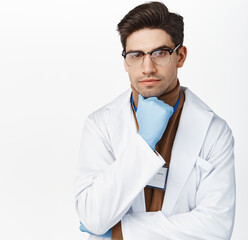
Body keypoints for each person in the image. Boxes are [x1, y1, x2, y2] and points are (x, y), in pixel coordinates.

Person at [75, 2, 236, 240]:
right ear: (125, 62)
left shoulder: (214, 131)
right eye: (136, 55)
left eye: (160, 53)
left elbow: (216, 227)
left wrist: (121, 231)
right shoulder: (101, 125)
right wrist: (143, 143)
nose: (147, 67)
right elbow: (93, 216)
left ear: (180, 56)